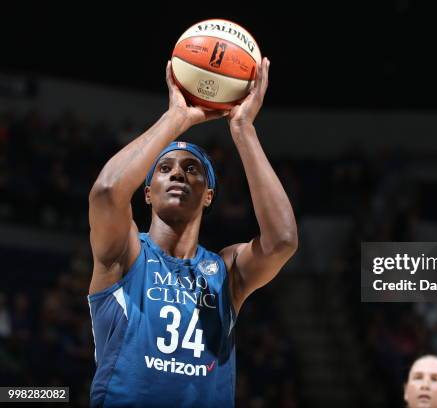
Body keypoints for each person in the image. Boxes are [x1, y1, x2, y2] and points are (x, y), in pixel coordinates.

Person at [87, 57, 297, 407]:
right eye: (165, 168)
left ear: (209, 195)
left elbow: (283, 241)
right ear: (147, 192)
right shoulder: (124, 254)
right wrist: (176, 118)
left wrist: (244, 129)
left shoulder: (225, 270)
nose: (178, 174)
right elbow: (107, 192)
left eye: (192, 169)